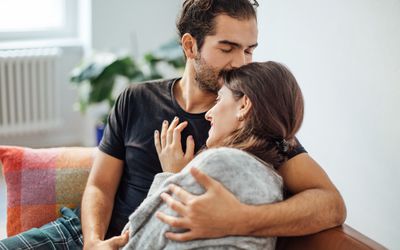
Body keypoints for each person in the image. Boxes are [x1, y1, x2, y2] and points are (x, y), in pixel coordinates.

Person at [0, 0, 346, 249]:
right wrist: (93, 242)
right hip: (82, 234)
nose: (240, 63)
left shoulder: (249, 121)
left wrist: (236, 219)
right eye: (227, 48)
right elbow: (100, 187)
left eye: (249, 50)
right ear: (190, 45)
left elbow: (330, 205)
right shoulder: (136, 99)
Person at [120, 61, 303, 250]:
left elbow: (136, 240)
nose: (208, 114)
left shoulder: (220, 161)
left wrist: (170, 177)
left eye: (218, 100)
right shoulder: (273, 183)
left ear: (244, 106)